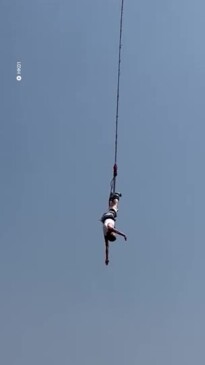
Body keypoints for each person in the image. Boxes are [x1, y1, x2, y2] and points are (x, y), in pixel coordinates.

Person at [101, 192, 127, 265]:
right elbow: (107, 248)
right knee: (112, 208)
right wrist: (106, 258)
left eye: (114, 234)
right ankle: (112, 200)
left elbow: (115, 230)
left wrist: (123, 235)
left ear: (112, 233)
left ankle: (116, 196)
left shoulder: (110, 229)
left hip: (109, 215)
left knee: (115, 207)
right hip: (105, 217)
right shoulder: (106, 236)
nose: (115, 233)